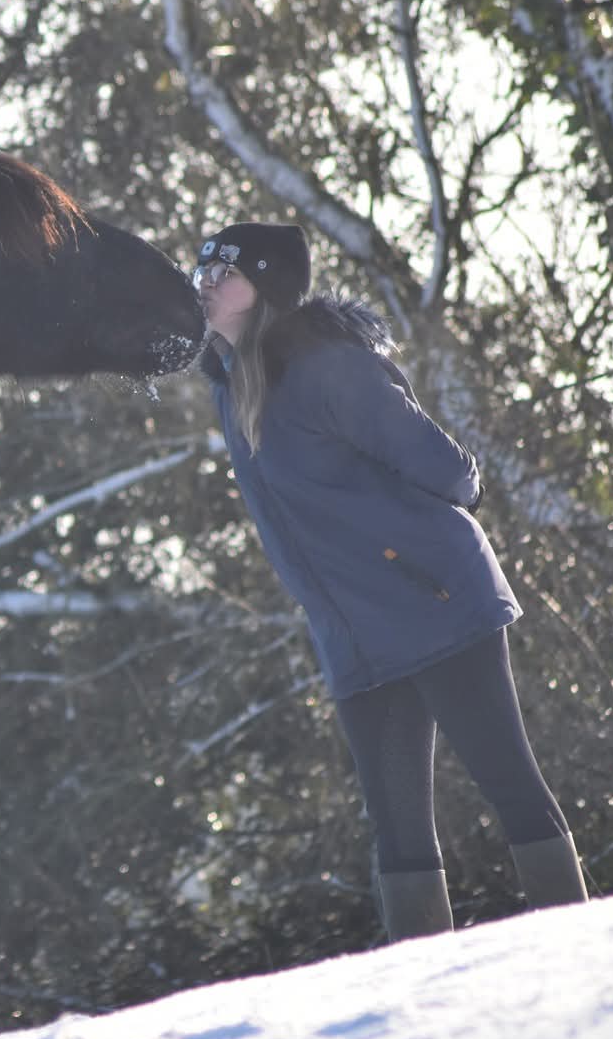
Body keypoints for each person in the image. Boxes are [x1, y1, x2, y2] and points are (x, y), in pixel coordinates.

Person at [191, 221, 587, 941]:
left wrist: (400, 550)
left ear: (268, 288)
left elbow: (451, 472)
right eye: (202, 271)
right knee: (397, 832)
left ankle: (578, 950)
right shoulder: (229, 388)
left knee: (508, 782)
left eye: (226, 271)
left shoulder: (323, 366)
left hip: (434, 603)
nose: (206, 283)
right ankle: (420, 1009)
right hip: (353, 634)